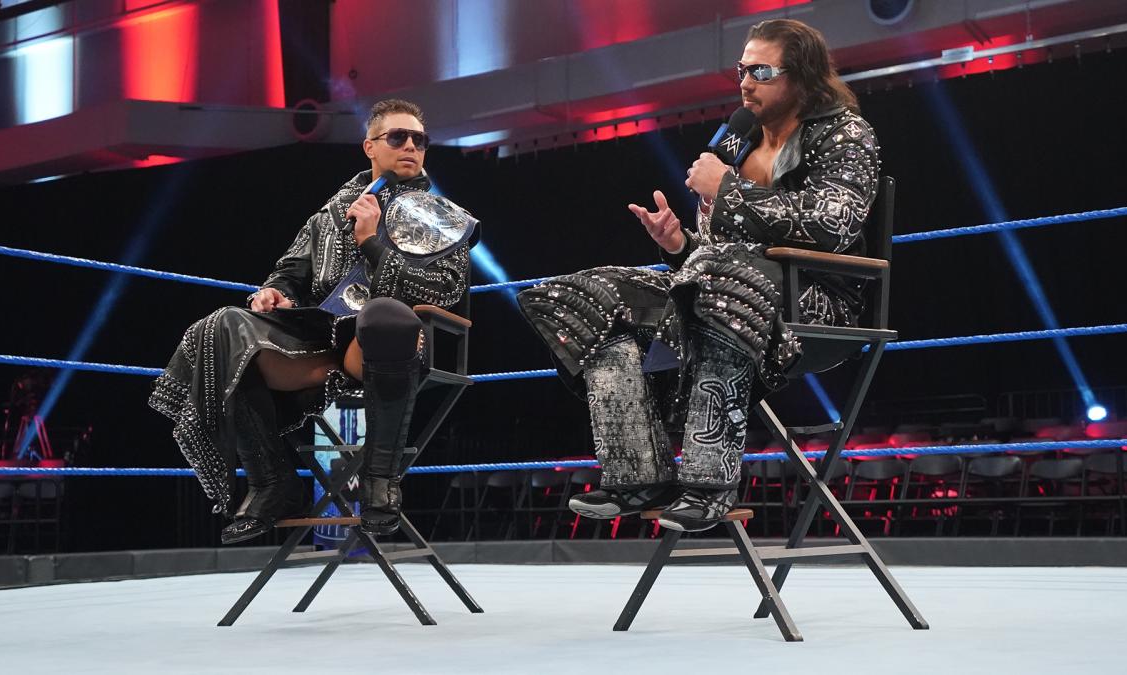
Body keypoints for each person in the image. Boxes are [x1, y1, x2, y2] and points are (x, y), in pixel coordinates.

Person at [517, 19, 880, 532]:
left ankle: (710, 483)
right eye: (741, 70)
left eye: (761, 71)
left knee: (719, 282)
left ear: (801, 75)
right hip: (721, 285)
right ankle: (638, 474)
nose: (745, 83)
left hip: (815, 298)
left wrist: (728, 189)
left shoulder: (845, 132)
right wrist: (678, 244)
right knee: (583, 296)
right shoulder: (738, 136)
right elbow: (713, 251)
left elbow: (833, 222)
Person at [150, 99, 473, 543]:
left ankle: (380, 481)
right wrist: (274, 292)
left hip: (388, 344)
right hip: (320, 341)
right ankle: (272, 482)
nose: (411, 146)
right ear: (370, 147)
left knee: (383, 316)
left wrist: (371, 242)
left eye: (420, 139)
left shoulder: (442, 216)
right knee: (222, 326)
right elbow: (291, 272)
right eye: (398, 137)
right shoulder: (332, 213)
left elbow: (446, 289)